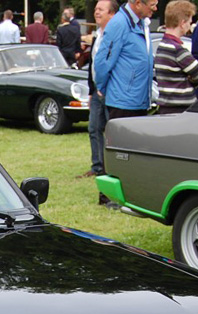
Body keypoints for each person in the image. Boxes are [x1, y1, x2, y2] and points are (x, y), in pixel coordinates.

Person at [94, 0, 157, 121]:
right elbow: (103, 61)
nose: (155, 9)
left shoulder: (142, 23)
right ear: (138, 4)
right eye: (152, 5)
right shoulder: (119, 24)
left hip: (138, 101)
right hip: (123, 103)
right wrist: (101, 87)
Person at [79, 0, 118, 181]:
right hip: (96, 91)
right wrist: (91, 90)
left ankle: (112, 168)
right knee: (94, 128)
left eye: (101, 10)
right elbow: (93, 65)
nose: (96, 12)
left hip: (111, 90)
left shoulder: (116, 35)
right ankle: (97, 166)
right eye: (95, 9)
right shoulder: (97, 35)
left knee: (111, 131)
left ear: (112, 14)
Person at [154, 0, 198, 115]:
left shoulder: (162, 45)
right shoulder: (178, 50)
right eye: (189, 22)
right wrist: (190, 79)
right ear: (182, 23)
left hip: (165, 107)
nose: (189, 25)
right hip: (179, 109)